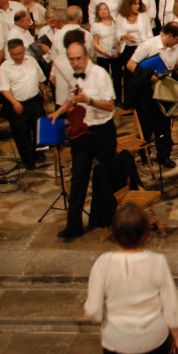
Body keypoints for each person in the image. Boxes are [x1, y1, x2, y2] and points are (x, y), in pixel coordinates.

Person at [85, 203, 178, 354]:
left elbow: (93, 310)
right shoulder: (157, 261)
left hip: (116, 341)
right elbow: (171, 305)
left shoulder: (103, 263)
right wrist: (176, 337)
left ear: (115, 233)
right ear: (146, 234)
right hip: (153, 339)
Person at [48, 41, 117, 240]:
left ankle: (105, 220)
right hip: (82, 131)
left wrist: (89, 100)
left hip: (102, 131)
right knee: (78, 179)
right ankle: (73, 226)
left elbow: (110, 106)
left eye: (78, 58)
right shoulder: (73, 74)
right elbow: (73, 98)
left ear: (86, 56)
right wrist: (58, 113)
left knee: (104, 178)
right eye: (71, 59)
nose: (75, 62)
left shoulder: (100, 74)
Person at [126, 23, 178, 169]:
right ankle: (144, 153)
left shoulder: (176, 47)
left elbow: (177, 67)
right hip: (146, 91)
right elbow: (131, 65)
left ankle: (164, 155)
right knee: (146, 124)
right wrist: (149, 76)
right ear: (170, 36)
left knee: (164, 124)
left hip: (164, 89)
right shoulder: (148, 45)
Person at [0, 39, 49, 170]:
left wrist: (44, 93)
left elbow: (40, 79)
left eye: (20, 53)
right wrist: (15, 103)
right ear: (10, 53)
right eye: (14, 54)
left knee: (40, 129)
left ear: (24, 50)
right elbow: (4, 89)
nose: (18, 57)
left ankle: (40, 154)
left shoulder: (31, 61)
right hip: (17, 104)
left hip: (35, 101)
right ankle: (29, 161)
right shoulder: (5, 67)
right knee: (22, 134)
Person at [91, 2, 122, 101]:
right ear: (98, 12)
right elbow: (95, 43)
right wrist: (104, 52)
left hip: (115, 54)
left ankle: (118, 99)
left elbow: (120, 37)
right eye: (101, 10)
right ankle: (106, 99)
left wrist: (119, 48)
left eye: (105, 9)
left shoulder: (115, 21)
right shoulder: (96, 25)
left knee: (117, 78)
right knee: (104, 78)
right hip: (103, 55)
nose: (103, 11)